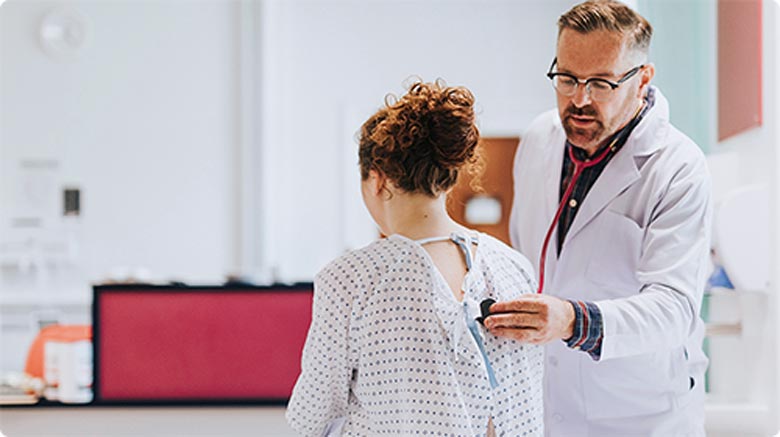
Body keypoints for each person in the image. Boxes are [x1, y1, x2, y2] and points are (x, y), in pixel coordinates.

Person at [484, 1, 712, 435]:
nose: (580, 100)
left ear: (642, 79)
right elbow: (524, 261)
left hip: (641, 416)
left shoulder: (677, 167)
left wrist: (571, 321)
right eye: (567, 78)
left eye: (601, 83)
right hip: (548, 406)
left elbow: (674, 310)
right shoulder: (538, 139)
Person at [286, 80, 544, 436]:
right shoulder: (512, 266)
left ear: (377, 179)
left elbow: (311, 413)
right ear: (448, 179)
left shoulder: (351, 278)